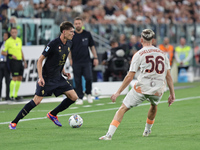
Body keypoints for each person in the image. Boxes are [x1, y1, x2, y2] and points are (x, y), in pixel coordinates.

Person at [99, 29, 175, 140]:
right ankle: (147, 130)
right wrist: (172, 94)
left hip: (142, 88)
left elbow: (129, 76)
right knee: (154, 106)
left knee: (123, 108)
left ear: (141, 40)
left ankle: (109, 135)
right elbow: (168, 76)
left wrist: (118, 92)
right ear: (153, 40)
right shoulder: (163, 54)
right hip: (158, 89)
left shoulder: (139, 54)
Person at [8, 21, 78, 130]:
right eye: (71, 31)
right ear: (64, 32)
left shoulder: (69, 43)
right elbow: (40, 60)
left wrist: (63, 71)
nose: (73, 33)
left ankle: (53, 114)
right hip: (47, 78)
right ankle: (14, 122)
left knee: (73, 97)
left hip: (58, 77)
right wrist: (41, 77)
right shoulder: (53, 44)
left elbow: (61, 59)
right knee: (36, 101)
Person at [69, 17, 99, 105]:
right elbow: (69, 49)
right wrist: (70, 59)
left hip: (86, 61)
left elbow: (92, 47)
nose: (77, 25)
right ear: (74, 25)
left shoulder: (87, 34)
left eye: (79, 23)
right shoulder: (72, 35)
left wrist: (96, 58)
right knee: (77, 80)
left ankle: (88, 93)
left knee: (89, 78)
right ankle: (80, 97)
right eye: (76, 24)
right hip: (76, 61)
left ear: (82, 24)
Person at [1, 27, 27, 101]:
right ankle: (11, 95)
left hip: (19, 61)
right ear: (10, 33)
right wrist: (10, 55)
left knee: (20, 78)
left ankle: (15, 95)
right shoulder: (8, 41)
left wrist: (24, 61)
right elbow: (2, 52)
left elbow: (21, 50)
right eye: (13, 32)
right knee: (14, 78)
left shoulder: (19, 40)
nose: (14, 33)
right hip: (13, 62)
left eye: (15, 32)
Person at [0, 32, 10, 101]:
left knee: (7, 81)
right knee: (0, 81)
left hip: (6, 64)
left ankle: (7, 96)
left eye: (6, 35)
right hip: (0, 63)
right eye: (4, 35)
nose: (4, 37)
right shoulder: (1, 43)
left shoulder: (9, 44)